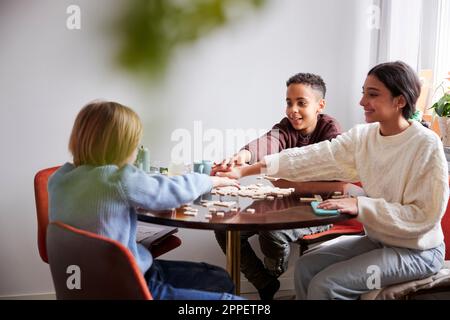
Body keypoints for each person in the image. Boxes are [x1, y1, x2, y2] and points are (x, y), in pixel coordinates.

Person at [216, 61, 448, 299]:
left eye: (373, 94)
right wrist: (245, 171)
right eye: (363, 93)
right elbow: (310, 157)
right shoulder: (363, 136)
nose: (362, 102)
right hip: (380, 240)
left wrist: (360, 205)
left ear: (400, 101)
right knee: (305, 268)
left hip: (418, 251)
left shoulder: (426, 144)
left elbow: (424, 215)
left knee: (326, 286)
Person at [48, 100, 244, 300]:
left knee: (220, 278)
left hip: (87, 282)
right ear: (122, 148)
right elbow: (171, 190)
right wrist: (211, 180)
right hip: (129, 286)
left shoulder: (59, 179)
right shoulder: (118, 179)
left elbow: (101, 209)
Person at [212, 73, 342, 300]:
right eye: (289, 102)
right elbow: (268, 142)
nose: (293, 109)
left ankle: (274, 271)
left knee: (271, 232)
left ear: (320, 105)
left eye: (301, 103)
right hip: (285, 199)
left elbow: (328, 173)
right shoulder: (285, 127)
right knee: (225, 228)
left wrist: (287, 180)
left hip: (322, 206)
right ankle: (265, 283)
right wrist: (243, 155)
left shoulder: (331, 131)